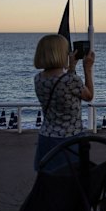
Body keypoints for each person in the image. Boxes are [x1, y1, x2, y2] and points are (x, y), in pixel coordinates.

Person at [33, 34, 94, 171]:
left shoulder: (38, 79)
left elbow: (62, 87)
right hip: (69, 140)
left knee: (49, 182)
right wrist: (87, 69)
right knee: (70, 184)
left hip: (46, 138)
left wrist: (71, 69)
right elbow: (89, 96)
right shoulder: (71, 81)